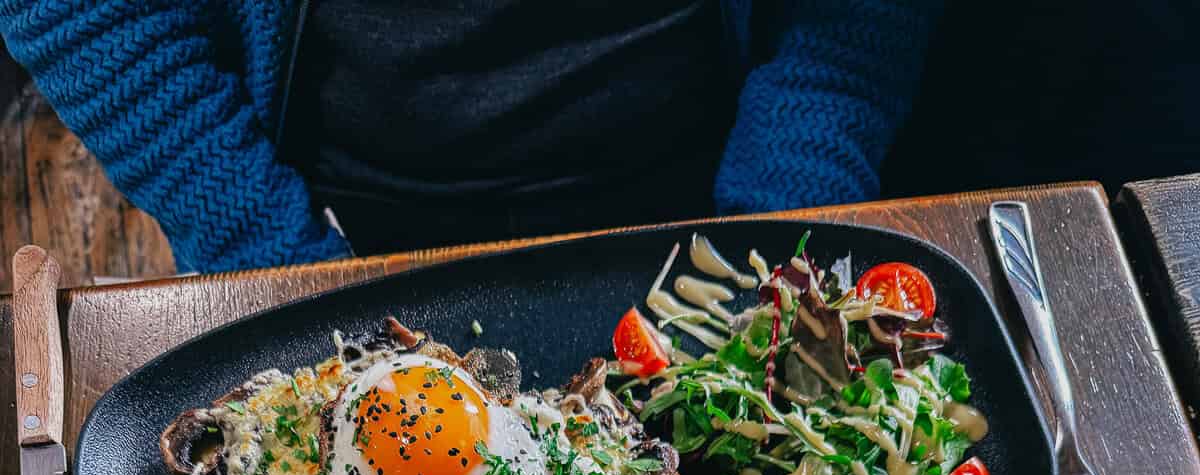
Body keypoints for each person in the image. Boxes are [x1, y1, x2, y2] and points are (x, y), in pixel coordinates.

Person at [0, 1, 944, 272]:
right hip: (329, 222)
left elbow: (850, 26)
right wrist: (271, 254)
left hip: (719, 185)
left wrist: (782, 218)